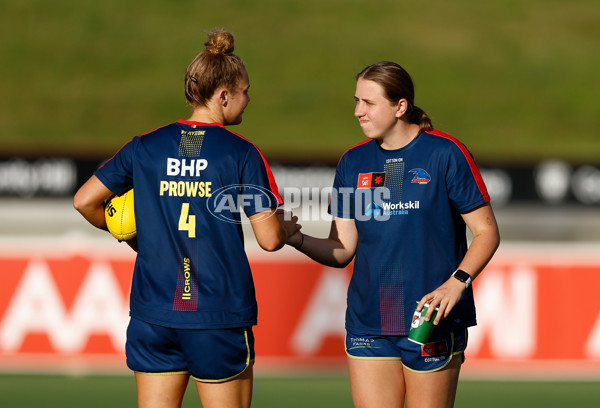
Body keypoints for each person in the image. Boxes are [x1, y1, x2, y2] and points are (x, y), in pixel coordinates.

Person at [74, 29, 287, 408]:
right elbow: (269, 239)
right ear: (223, 96)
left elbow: (84, 201)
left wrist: (134, 238)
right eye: (245, 92)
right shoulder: (242, 153)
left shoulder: (145, 146)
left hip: (155, 314)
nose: (248, 99)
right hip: (216, 315)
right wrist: (286, 229)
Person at [279, 61, 500, 408]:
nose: (357, 111)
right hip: (369, 322)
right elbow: (342, 249)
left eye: (368, 103)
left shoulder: (445, 153)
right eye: (356, 101)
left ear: (400, 107)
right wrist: (297, 239)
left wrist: (456, 283)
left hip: (428, 320)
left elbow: (487, 232)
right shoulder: (352, 162)